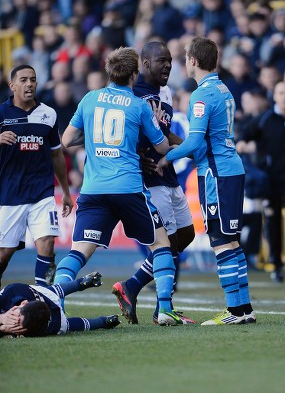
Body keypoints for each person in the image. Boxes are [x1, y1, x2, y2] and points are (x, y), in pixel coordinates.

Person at [53, 46, 185, 326]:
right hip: (128, 187)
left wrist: (93, 139)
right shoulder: (138, 105)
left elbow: (66, 140)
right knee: (162, 244)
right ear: (134, 74)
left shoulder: (89, 99)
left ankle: (57, 304)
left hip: (93, 189)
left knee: (78, 252)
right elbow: (161, 145)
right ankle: (164, 310)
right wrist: (159, 123)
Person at [157, 37, 256, 325]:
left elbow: (195, 142)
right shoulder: (223, 89)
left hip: (215, 174)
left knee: (221, 242)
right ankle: (244, 308)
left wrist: (167, 156)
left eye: (186, 57)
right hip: (230, 170)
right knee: (232, 241)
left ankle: (234, 311)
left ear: (193, 61)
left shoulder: (201, 96)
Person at [112, 41, 195, 325]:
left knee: (186, 235)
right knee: (165, 242)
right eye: (162, 61)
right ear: (144, 64)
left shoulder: (166, 93)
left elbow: (166, 132)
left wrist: (188, 147)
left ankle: (131, 286)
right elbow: (119, 137)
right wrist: (136, 158)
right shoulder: (132, 94)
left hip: (168, 173)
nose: (168, 66)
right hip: (147, 179)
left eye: (170, 61)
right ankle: (164, 308)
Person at [0, 65, 73, 288]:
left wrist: (67, 193)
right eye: (23, 80)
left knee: (47, 244)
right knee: (4, 252)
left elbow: (57, 155)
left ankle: (45, 297)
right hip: (10, 194)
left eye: (33, 79)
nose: (29, 84)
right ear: (12, 86)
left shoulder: (48, 114)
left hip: (42, 193)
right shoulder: (2, 114)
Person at [240, 81, 285, 282]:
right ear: (274, 96)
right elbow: (243, 136)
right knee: (273, 224)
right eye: (281, 92)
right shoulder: (266, 119)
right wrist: (243, 144)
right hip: (273, 182)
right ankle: (276, 265)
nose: (284, 96)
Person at [0, 271, 120, 337]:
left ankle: (82, 283)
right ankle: (103, 321)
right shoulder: (11, 291)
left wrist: (4, 323)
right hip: (45, 305)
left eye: (15, 318)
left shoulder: (12, 290)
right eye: (15, 321)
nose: (13, 321)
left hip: (45, 299)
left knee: (55, 294)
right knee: (67, 323)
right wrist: (4, 323)